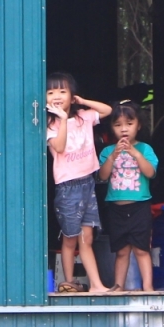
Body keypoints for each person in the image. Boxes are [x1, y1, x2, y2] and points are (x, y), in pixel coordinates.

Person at [45, 72, 113, 293]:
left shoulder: (84, 116)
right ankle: (68, 282)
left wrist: (82, 102)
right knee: (70, 238)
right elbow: (60, 147)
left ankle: (96, 285)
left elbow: (107, 111)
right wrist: (63, 120)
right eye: (51, 92)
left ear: (72, 95)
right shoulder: (51, 124)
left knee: (87, 237)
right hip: (68, 187)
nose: (57, 95)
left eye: (63, 91)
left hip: (87, 183)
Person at [97, 100, 159, 293]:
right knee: (121, 251)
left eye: (129, 124)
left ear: (138, 125)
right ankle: (119, 286)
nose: (124, 129)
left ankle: (147, 286)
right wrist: (113, 156)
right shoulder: (108, 151)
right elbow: (102, 176)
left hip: (139, 206)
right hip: (116, 208)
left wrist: (135, 154)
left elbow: (150, 173)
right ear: (112, 128)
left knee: (141, 249)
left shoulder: (145, 149)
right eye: (118, 125)